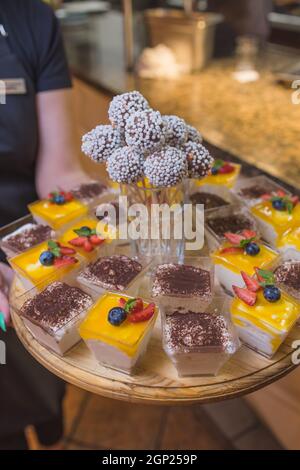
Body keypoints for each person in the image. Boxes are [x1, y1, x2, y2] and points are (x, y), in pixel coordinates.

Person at [0, 0, 90, 450]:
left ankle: (50, 420)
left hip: (30, 238)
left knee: (46, 379)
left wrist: (101, 203)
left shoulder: (33, 19)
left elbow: (58, 168)